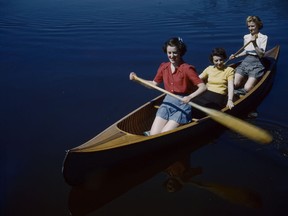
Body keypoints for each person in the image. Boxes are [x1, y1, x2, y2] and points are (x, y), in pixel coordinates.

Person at [130, 37, 206, 135]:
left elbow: (203, 87)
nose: (171, 56)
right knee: (154, 134)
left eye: (175, 53)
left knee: (163, 134)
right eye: (169, 53)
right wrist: (137, 79)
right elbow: (153, 84)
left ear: (180, 52)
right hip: (168, 102)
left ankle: (181, 124)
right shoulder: (164, 67)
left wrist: (190, 97)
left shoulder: (187, 69)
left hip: (183, 104)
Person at [229, 16, 268, 95]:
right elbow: (246, 52)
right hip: (246, 61)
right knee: (234, 84)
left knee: (247, 88)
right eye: (249, 26)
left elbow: (261, 55)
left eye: (252, 26)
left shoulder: (263, 37)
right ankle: (234, 92)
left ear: (258, 25)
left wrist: (254, 43)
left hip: (257, 63)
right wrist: (236, 56)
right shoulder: (246, 37)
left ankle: (243, 93)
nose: (250, 28)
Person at [191, 48, 235, 118]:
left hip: (218, 95)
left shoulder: (229, 70)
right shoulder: (209, 68)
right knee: (191, 102)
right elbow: (198, 79)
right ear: (212, 61)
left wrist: (230, 100)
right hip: (206, 92)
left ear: (224, 58)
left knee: (205, 106)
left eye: (221, 60)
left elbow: (230, 86)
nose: (219, 62)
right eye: (216, 61)